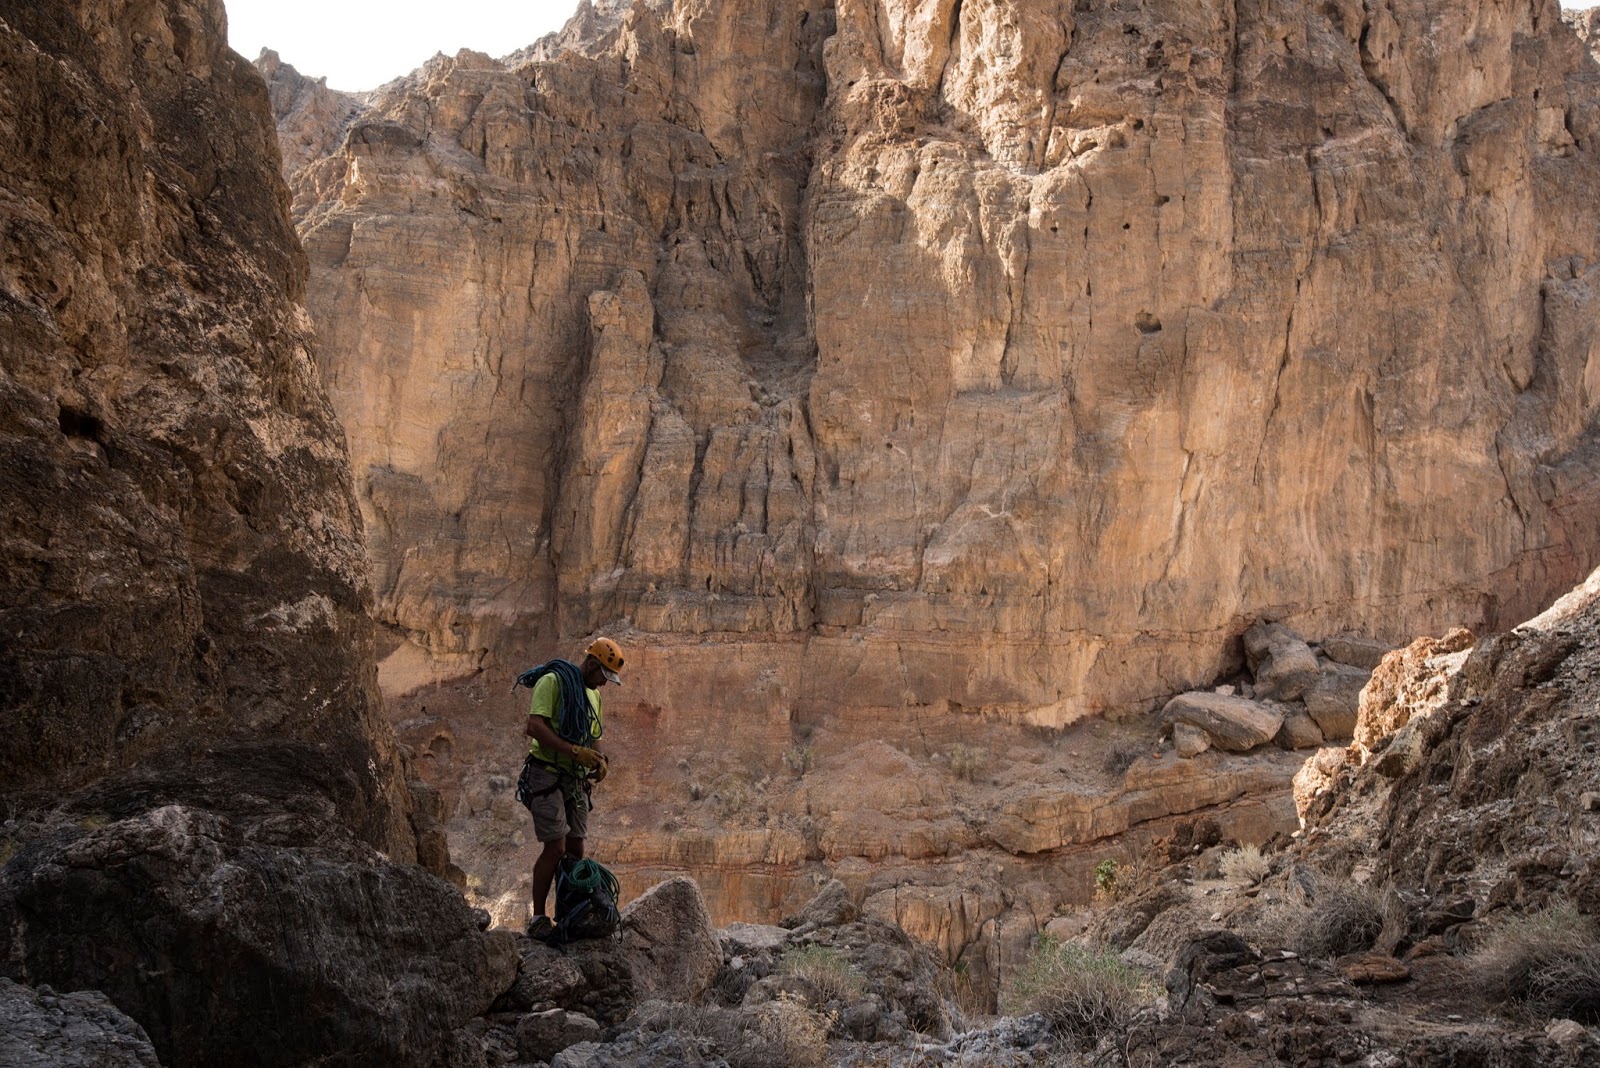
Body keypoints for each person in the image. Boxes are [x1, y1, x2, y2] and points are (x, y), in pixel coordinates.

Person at [517, 637, 624, 940]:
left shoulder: (594, 696)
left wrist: (600, 759)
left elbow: (594, 733)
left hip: (574, 780)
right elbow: (534, 726)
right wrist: (575, 752)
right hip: (546, 774)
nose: (603, 684)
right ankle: (538, 917)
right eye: (603, 676)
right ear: (592, 664)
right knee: (556, 846)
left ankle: (569, 914)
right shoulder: (552, 682)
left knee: (576, 848)